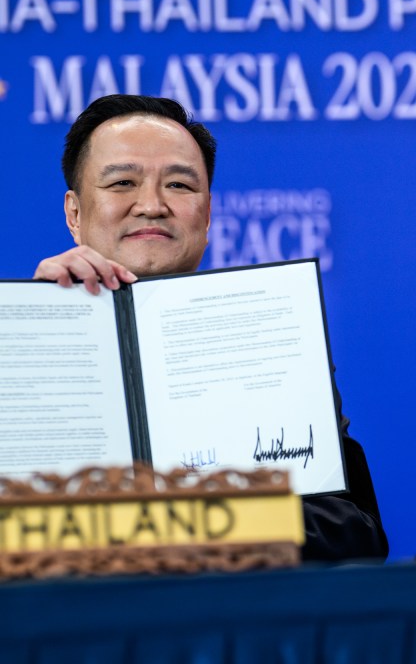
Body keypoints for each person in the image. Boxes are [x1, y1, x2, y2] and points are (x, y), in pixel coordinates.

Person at [34, 94, 388, 561]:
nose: (152, 205)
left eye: (179, 186)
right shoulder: (17, 344)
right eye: (122, 182)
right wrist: (38, 333)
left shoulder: (273, 340)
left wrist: (197, 520)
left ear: (208, 216)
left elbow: (354, 535)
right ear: (74, 213)